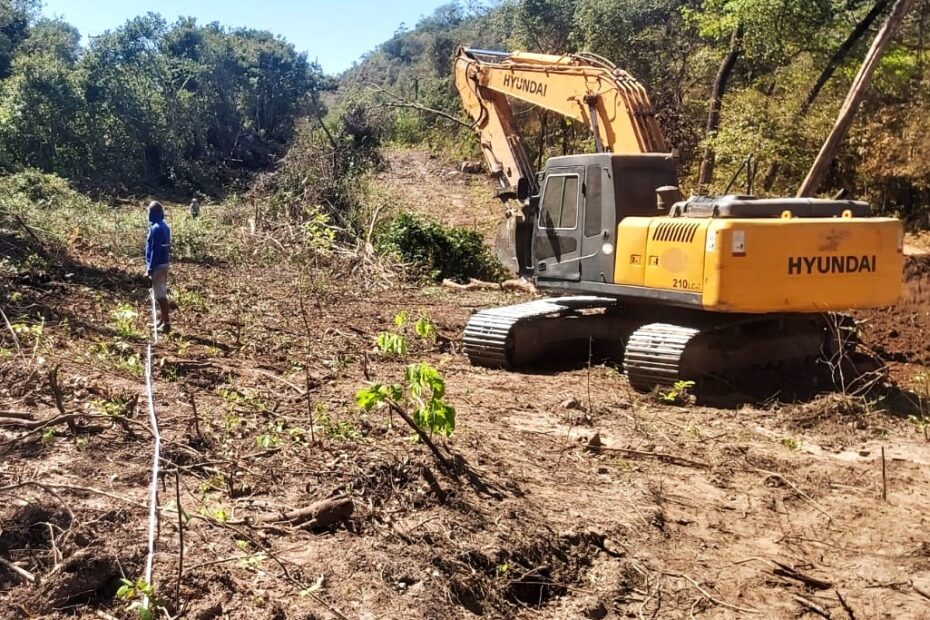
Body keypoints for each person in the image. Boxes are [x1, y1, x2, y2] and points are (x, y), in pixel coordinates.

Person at [145, 201, 171, 333]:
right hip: (163, 263)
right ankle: (161, 320)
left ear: (154, 214)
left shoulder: (156, 228)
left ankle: (166, 324)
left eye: (149, 212)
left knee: (160, 295)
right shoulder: (164, 226)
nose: (147, 215)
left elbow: (156, 251)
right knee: (158, 294)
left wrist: (150, 269)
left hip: (158, 265)